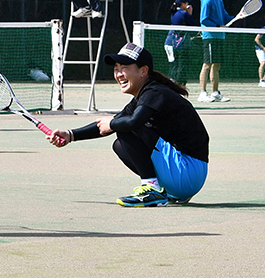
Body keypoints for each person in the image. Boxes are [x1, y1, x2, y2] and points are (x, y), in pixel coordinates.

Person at [47, 43, 209, 207]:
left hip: (188, 170)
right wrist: (70, 135)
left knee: (125, 127)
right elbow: (114, 122)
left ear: (143, 71)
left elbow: (129, 123)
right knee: (120, 144)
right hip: (186, 175)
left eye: (124, 68)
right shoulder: (146, 95)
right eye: (116, 68)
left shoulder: (154, 92)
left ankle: (152, 189)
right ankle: (163, 191)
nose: (118, 74)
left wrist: (112, 124)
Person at [198, 0, 230, 102]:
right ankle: (202, 93)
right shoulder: (207, 0)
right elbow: (204, 19)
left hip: (220, 36)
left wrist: (239, 16)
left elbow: (226, 17)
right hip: (210, 36)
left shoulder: (220, 1)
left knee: (216, 65)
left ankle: (215, 93)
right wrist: (217, 26)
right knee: (207, 64)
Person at [164, 0, 197, 86]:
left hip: (169, 43)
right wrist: (189, 14)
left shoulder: (173, 13)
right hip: (179, 44)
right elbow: (192, 25)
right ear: (183, 4)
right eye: (186, 2)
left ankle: (172, 83)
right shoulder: (184, 14)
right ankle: (179, 85)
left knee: (173, 65)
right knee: (181, 65)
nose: (188, 4)